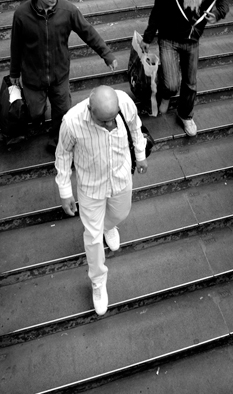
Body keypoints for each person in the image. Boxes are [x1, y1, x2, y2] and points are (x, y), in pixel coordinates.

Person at [55, 84, 146, 315]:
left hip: (120, 177)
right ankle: (98, 283)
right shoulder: (72, 122)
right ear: (90, 110)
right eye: (103, 121)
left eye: (112, 119)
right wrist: (65, 191)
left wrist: (140, 155)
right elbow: (63, 155)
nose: (110, 125)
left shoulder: (124, 103)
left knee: (121, 213)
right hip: (91, 187)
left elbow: (136, 127)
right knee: (92, 237)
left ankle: (109, 226)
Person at [10, 0, 118, 152]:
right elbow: (16, 45)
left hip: (59, 75)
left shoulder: (67, 10)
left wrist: (106, 54)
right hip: (33, 77)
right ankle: (40, 109)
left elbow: (87, 32)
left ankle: (57, 143)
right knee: (35, 113)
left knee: (62, 112)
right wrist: (14, 72)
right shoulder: (21, 15)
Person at [141, 0, 229, 136]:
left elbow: (223, 4)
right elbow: (158, 9)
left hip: (192, 41)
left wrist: (216, 14)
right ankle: (166, 94)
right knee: (172, 84)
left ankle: (185, 115)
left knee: (190, 83)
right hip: (169, 39)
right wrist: (148, 37)